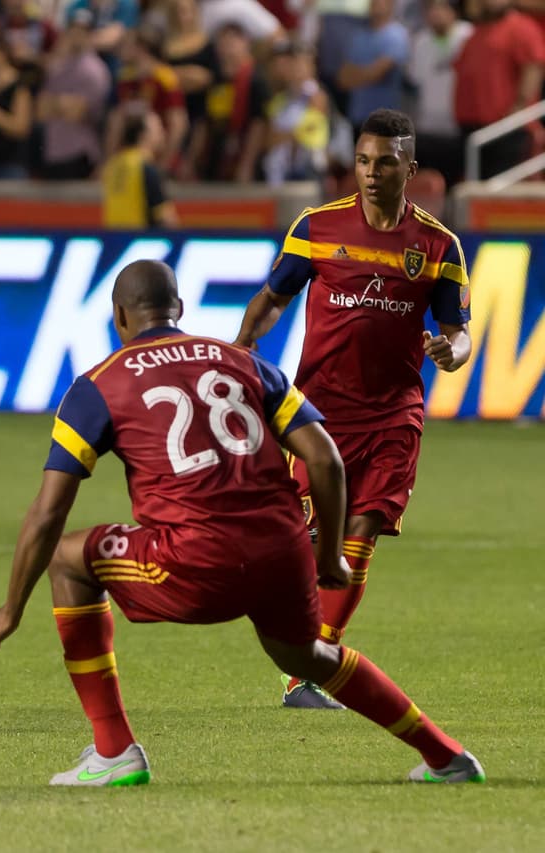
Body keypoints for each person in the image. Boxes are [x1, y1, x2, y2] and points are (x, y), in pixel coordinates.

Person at [0, 259, 484, 787]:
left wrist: (10, 611)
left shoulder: (97, 386)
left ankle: (114, 749)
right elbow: (325, 458)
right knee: (306, 654)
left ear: (119, 316)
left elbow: (49, 512)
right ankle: (446, 755)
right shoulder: (245, 363)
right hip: (284, 554)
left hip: (198, 564)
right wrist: (329, 553)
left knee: (66, 559)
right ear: (179, 308)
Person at [234, 108, 471, 708]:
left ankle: (309, 668)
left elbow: (459, 331)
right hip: (318, 416)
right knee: (316, 538)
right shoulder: (316, 227)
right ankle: (303, 652)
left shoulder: (439, 246)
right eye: (363, 161)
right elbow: (273, 298)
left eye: (384, 163)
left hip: (394, 413)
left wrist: (453, 352)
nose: (369, 172)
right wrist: (242, 349)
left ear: (409, 169)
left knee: (362, 530)